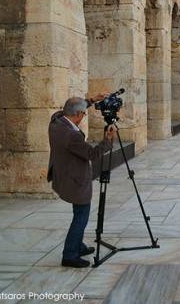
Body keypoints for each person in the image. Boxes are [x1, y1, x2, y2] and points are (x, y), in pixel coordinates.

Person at [47, 94, 116, 268]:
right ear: (77, 114)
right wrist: (107, 140)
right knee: (81, 217)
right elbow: (92, 155)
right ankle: (70, 254)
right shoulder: (72, 135)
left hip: (63, 174)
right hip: (75, 180)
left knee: (79, 213)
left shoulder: (56, 120)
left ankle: (78, 245)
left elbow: (73, 107)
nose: (83, 116)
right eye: (83, 114)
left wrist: (91, 100)